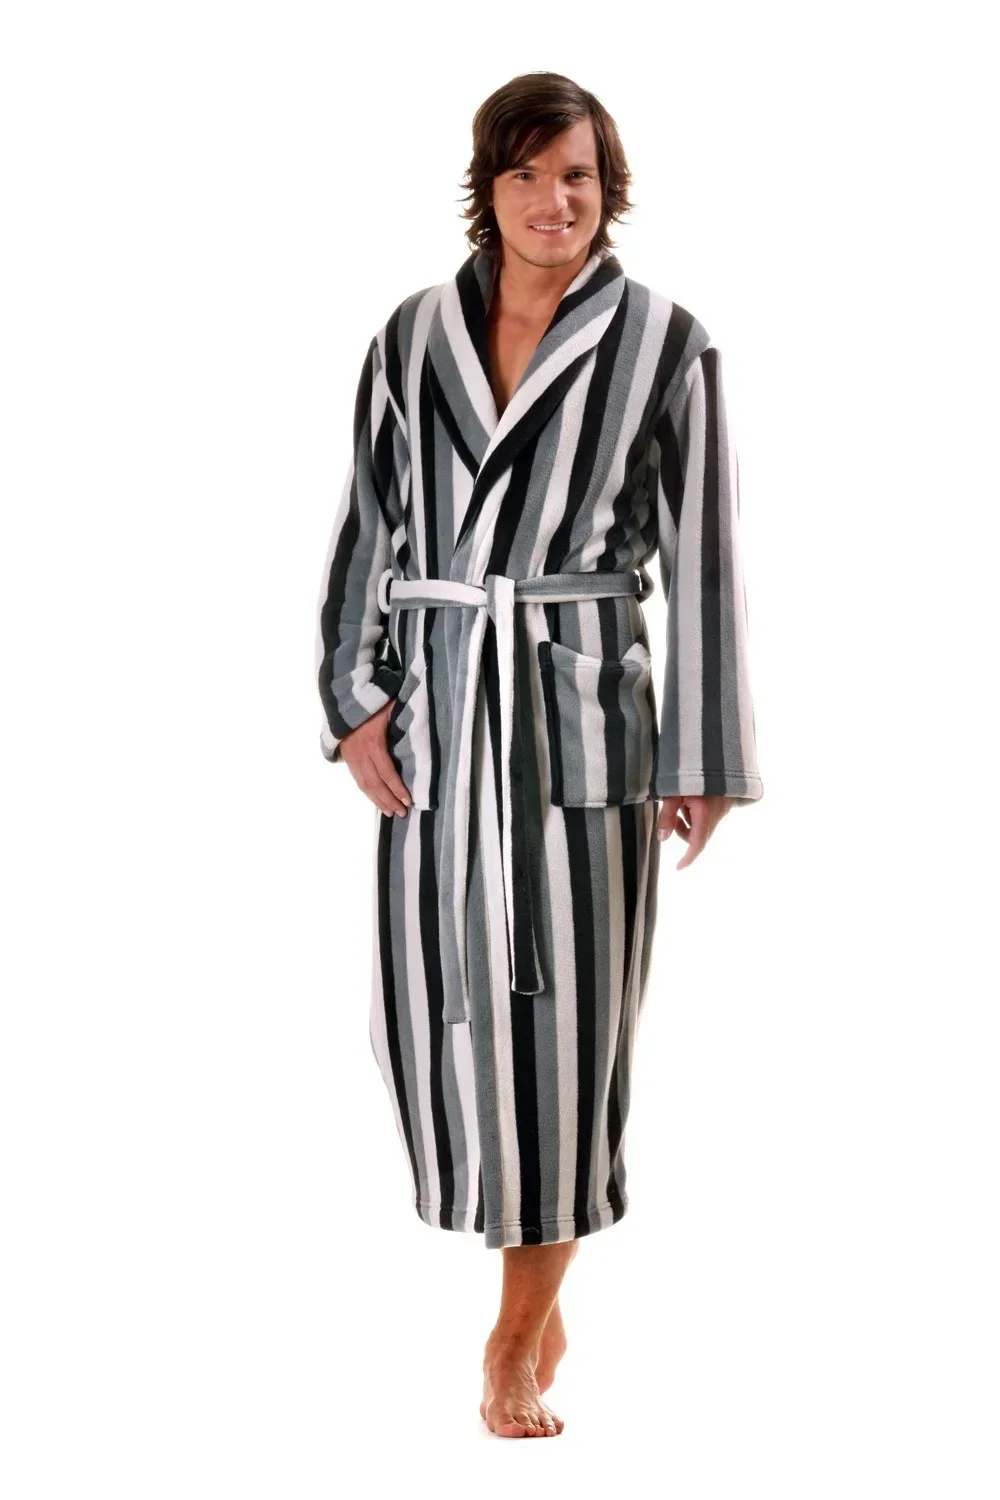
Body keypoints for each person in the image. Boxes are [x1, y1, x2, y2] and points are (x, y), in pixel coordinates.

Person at [315, 71, 764, 1438]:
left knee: (563, 1037)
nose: (552, 200)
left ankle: (514, 1334)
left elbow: (704, 556)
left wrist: (701, 753)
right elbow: (368, 525)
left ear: (607, 186)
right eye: (526, 174)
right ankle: (537, 1281)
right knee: (440, 1020)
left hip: (581, 730)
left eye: (576, 175)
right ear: (489, 187)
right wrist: (356, 698)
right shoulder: (410, 338)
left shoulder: (663, 343)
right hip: (441, 717)